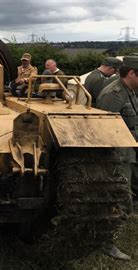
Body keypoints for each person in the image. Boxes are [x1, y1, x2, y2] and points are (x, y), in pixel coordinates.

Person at [96, 56, 138, 261]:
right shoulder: (112, 95)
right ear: (131, 73)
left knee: (124, 195)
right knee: (114, 198)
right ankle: (106, 241)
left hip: (127, 150)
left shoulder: (128, 91)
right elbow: (105, 130)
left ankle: (123, 220)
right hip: (116, 155)